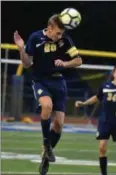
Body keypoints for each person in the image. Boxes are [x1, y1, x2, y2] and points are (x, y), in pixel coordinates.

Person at [13, 14, 82, 175]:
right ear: (49, 28)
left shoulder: (65, 40)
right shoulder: (35, 38)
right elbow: (27, 63)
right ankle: (46, 144)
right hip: (40, 81)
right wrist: (21, 48)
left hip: (59, 83)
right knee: (47, 106)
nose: (60, 36)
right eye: (57, 33)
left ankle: (45, 157)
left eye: (61, 34)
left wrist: (65, 63)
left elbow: (78, 60)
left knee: (58, 126)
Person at [75, 64, 116, 175]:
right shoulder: (105, 86)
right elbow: (96, 97)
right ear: (113, 73)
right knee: (102, 148)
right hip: (105, 121)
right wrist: (84, 103)